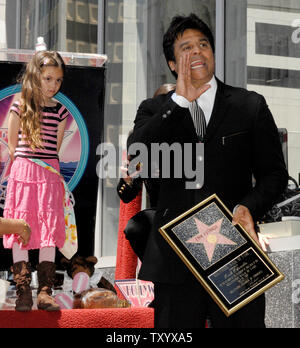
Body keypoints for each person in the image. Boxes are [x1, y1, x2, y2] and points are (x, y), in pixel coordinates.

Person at [130, 14, 288, 328]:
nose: (198, 51)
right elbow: (138, 159)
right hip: (174, 261)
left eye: (203, 44)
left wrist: (248, 207)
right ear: (173, 64)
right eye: (186, 47)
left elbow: (275, 175)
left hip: (234, 251)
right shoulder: (154, 110)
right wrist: (179, 103)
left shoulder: (249, 105)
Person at [3, 50, 69, 312]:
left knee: (49, 231)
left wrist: (46, 171)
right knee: (19, 228)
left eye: (58, 80)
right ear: (34, 76)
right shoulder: (19, 106)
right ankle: (22, 290)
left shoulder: (61, 111)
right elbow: (11, 147)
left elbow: (56, 149)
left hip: (49, 176)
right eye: (48, 78)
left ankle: (45, 291)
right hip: (23, 174)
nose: (54, 85)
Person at [117, 84, 175, 261]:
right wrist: (128, 179)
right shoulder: (141, 141)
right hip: (160, 214)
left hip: (193, 211)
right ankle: (156, 274)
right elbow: (127, 195)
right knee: (136, 227)